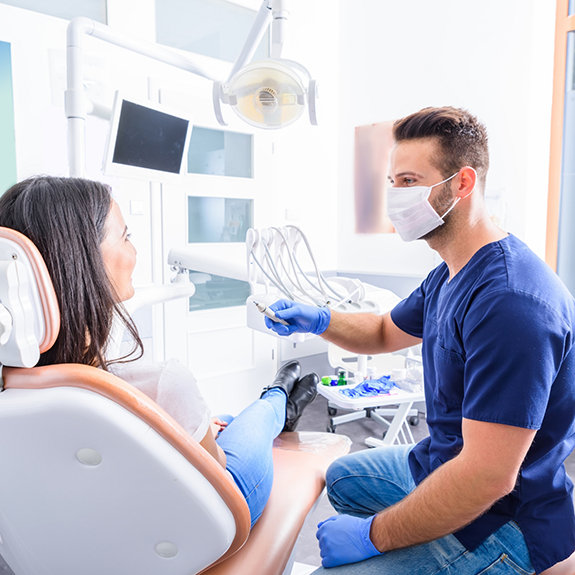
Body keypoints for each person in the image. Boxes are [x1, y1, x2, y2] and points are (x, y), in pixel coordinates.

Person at [265, 107, 575, 574]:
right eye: (393, 181)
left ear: (462, 184)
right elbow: (385, 330)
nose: (394, 197)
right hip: (444, 462)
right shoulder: (449, 273)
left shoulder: (512, 303)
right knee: (341, 480)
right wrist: (320, 319)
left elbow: (487, 477)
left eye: (409, 181)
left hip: (503, 518)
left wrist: (374, 535)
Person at [0, 175, 318, 529]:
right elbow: (217, 475)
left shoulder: (16, 387)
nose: (134, 251)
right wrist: (197, 438)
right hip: (206, 528)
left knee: (222, 419)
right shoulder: (162, 383)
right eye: (125, 237)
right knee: (254, 418)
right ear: (84, 261)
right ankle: (278, 400)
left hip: (91, 535)